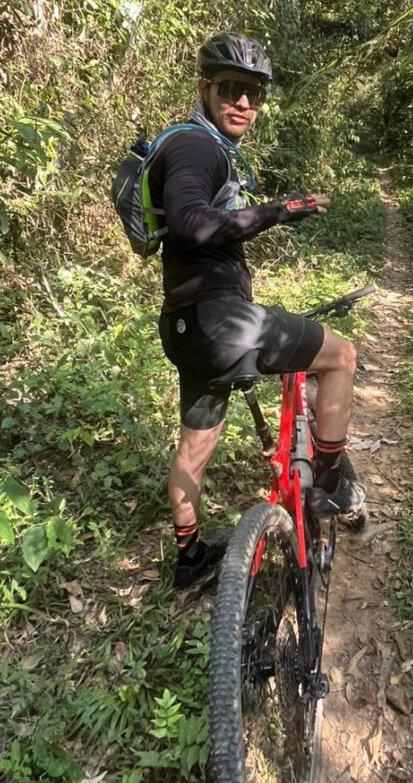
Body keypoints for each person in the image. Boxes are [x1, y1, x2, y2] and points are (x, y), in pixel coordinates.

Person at [152, 32, 365, 591]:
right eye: (231, 89)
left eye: (254, 93)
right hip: (221, 322)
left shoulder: (196, 146)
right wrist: (281, 209)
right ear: (203, 88)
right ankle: (332, 483)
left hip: (184, 326)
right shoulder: (195, 147)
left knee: (195, 447)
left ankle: (190, 557)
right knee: (341, 355)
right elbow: (193, 223)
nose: (243, 102)